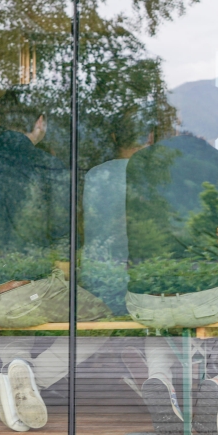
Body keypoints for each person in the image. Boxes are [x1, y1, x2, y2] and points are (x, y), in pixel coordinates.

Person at [0, 88, 109, 432]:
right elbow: (63, 237)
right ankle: (32, 379)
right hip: (19, 295)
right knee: (101, 318)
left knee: (20, 311)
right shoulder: (47, 167)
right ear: (40, 122)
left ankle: (19, 371)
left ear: (2, 120)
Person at [124, 80, 218, 435]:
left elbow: (140, 226)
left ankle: (159, 379)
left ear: (178, 117)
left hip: (142, 294)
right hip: (202, 295)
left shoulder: (141, 162)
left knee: (160, 317)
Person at [82, 109, 152, 315]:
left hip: (99, 272)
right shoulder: (154, 178)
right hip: (145, 276)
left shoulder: (95, 176)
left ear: (113, 137)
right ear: (150, 138)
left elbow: (85, 225)